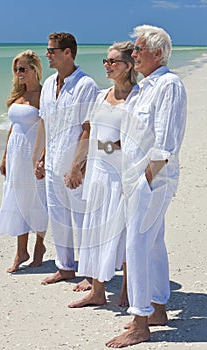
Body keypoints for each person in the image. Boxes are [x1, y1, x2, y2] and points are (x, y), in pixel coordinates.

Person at [106, 25, 187, 348]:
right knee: (152, 243)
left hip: (151, 180)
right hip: (136, 178)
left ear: (157, 53)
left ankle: (140, 323)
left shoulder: (168, 85)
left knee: (136, 245)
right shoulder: (145, 88)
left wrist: (143, 181)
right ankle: (157, 309)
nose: (134, 54)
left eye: (139, 49)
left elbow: (165, 143)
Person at [66, 41, 138, 308]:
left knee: (123, 232)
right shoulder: (100, 95)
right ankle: (97, 291)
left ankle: (129, 291)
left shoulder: (137, 97)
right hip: (98, 171)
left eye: (113, 62)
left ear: (128, 66)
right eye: (105, 61)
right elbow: (89, 131)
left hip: (121, 173)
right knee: (96, 229)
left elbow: (139, 138)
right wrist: (77, 164)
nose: (107, 65)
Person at [32, 32, 99, 287]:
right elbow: (49, 124)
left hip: (75, 166)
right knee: (58, 218)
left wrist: (76, 167)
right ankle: (65, 267)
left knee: (83, 219)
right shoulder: (48, 83)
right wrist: (42, 159)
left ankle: (92, 274)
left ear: (67, 52)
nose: (47, 55)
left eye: (51, 50)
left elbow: (88, 128)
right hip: (52, 164)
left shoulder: (86, 85)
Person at [0, 50, 48, 273]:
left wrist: (43, 158)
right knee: (17, 199)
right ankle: (20, 251)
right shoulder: (18, 94)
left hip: (33, 155)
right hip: (16, 155)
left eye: (23, 69)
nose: (19, 73)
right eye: (16, 70)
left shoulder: (45, 95)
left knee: (37, 199)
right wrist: (5, 155)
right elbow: (13, 128)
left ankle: (39, 248)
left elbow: (49, 129)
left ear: (35, 69)